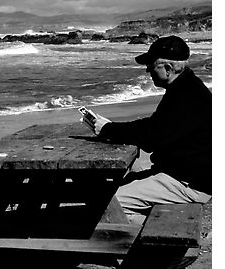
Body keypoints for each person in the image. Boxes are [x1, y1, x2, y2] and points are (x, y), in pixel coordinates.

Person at [82, 35, 212, 224]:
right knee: (119, 187)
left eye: (151, 66)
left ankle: (164, 235)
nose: (147, 71)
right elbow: (155, 127)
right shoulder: (187, 88)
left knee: (110, 204)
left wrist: (108, 129)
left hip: (189, 183)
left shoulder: (186, 96)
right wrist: (111, 128)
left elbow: (151, 136)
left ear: (168, 69)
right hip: (184, 174)